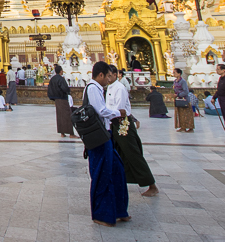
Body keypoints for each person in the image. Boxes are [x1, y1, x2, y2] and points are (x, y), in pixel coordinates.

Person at [84, 62, 130, 227]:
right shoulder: (92, 88)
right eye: (108, 76)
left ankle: (119, 210)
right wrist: (119, 112)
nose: (110, 79)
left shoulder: (99, 88)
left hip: (106, 134)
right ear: (101, 75)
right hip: (99, 138)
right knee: (102, 173)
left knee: (116, 170)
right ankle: (102, 214)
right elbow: (101, 111)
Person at [106, 65, 158, 197]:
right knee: (118, 153)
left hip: (123, 123)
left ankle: (151, 184)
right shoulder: (109, 88)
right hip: (114, 123)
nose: (107, 78)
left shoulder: (120, 88)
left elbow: (120, 108)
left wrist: (105, 114)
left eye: (109, 75)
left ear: (115, 74)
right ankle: (120, 180)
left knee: (133, 153)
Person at [47, 65, 74, 137]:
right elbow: (64, 88)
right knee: (67, 115)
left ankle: (62, 132)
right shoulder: (61, 79)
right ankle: (71, 133)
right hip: (62, 98)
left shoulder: (52, 79)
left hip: (56, 99)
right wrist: (68, 92)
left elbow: (50, 89)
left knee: (60, 116)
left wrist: (52, 98)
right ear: (61, 71)